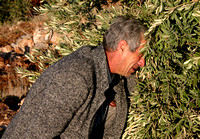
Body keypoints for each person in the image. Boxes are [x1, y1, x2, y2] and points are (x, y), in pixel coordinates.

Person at [2, 16, 147, 139]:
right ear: (122, 47)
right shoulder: (76, 76)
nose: (143, 63)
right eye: (140, 55)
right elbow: (36, 135)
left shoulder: (117, 77)